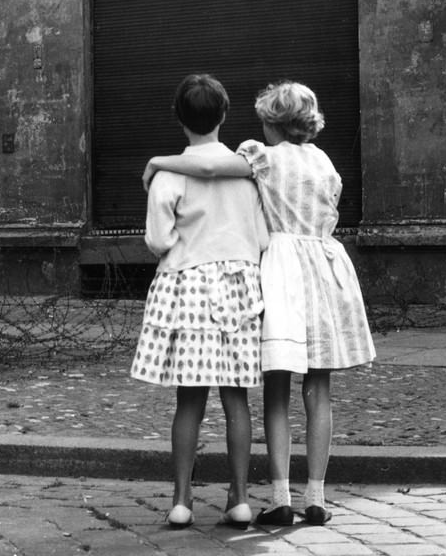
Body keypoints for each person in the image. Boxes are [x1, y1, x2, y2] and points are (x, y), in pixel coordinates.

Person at [142, 81, 376, 527]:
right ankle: (317, 496)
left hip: (284, 270)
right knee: (319, 387)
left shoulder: (261, 157)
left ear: (271, 122)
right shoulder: (325, 163)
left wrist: (156, 161)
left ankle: (279, 495)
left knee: (275, 386)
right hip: (325, 269)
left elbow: (209, 171)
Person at [131, 74, 269, 530]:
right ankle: (241, 498)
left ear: (178, 119)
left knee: (188, 400)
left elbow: (157, 240)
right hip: (237, 289)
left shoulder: (168, 175)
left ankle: (182, 499)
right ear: (225, 115)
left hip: (187, 288)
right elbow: (262, 235)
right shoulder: (247, 172)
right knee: (237, 399)